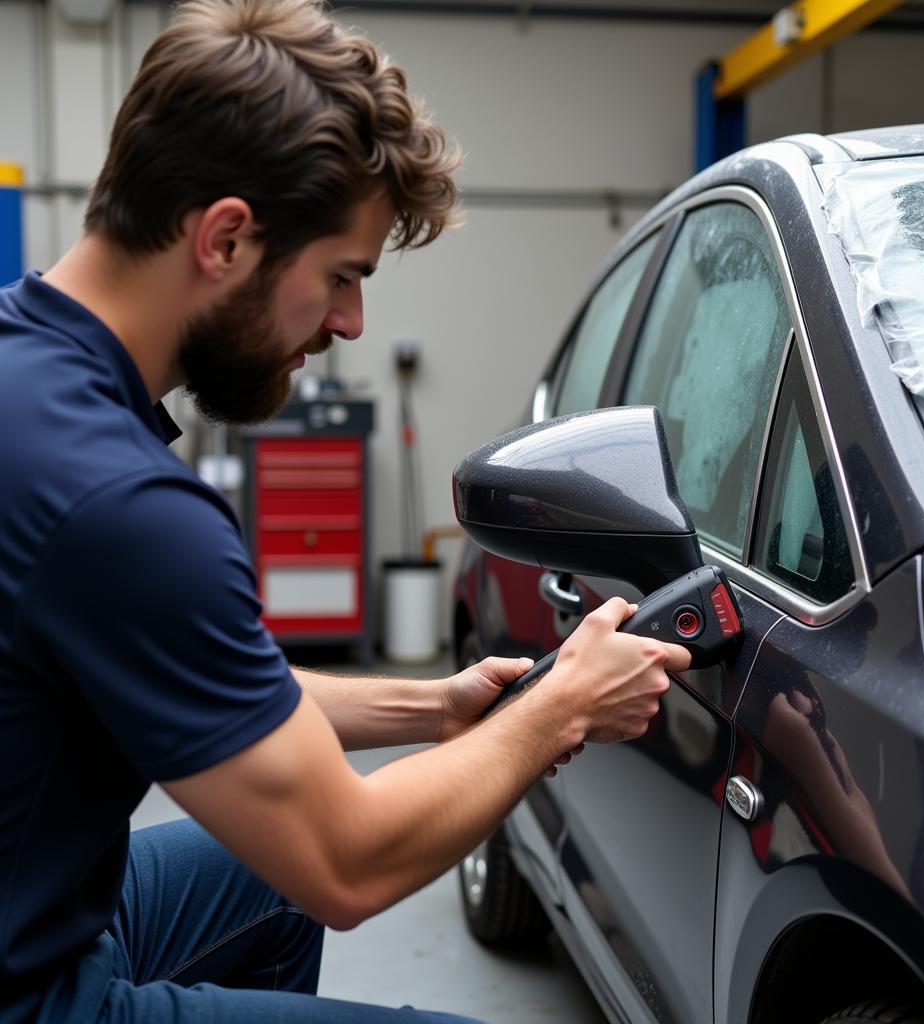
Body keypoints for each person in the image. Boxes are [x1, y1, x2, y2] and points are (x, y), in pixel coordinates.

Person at [0, 0, 692, 1020]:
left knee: (263, 888)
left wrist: (437, 706)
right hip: (34, 992)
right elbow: (346, 862)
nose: (349, 322)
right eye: (340, 276)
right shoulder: (121, 505)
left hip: (48, 911)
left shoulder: (31, 370)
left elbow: (210, 687)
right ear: (226, 237)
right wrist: (561, 709)